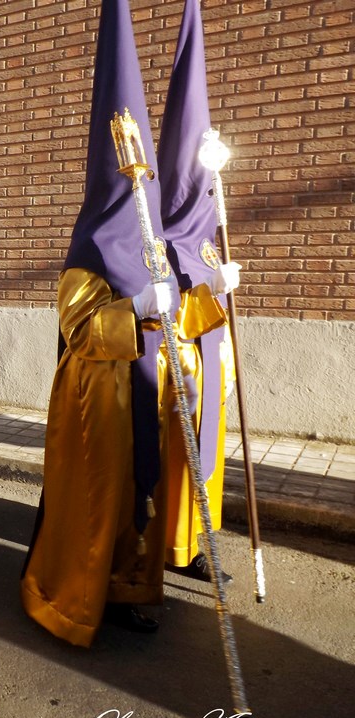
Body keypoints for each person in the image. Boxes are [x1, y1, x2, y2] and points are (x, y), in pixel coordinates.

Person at [19, 0, 227, 648]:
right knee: (96, 506)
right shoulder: (88, 250)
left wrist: (206, 294)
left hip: (147, 395)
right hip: (95, 405)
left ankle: (137, 589)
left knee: (143, 495)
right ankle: (83, 595)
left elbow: (180, 316)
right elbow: (79, 329)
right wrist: (134, 310)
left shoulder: (156, 240)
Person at [157, 0, 241, 585]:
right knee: (177, 467)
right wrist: (212, 296)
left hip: (213, 381)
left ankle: (198, 541)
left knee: (208, 468)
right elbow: (173, 315)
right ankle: (167, 546)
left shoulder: (211, 241)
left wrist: (225, 284)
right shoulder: (158, 242)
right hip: (178, 382)